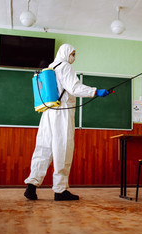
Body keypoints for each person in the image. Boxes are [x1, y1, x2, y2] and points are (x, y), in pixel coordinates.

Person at [24, 44, 109, 201]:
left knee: (43, 148)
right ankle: (60, 190)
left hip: (47, 111)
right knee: (62, 148)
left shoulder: (50, 67)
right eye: (72, 53)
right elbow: (74, 88)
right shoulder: (65, 67)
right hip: (61, 112)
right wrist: (95, 91)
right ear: (65, 53)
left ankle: (31, 187)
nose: (73, 57)